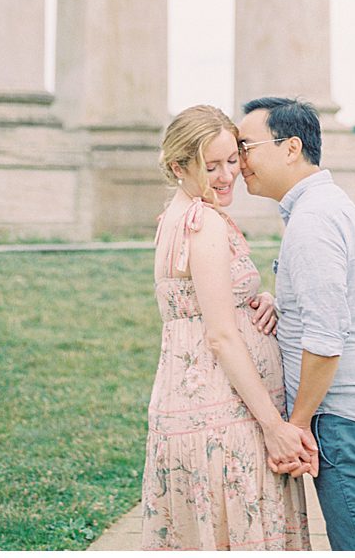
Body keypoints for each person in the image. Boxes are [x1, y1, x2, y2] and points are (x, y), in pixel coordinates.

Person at [140, 104, 316, 551]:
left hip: (191, 407)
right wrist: (274, 426)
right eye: (210, 166)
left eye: (232, 160)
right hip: (223, 414)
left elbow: (206, 307)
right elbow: (219, 335)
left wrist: (261, 303)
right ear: (179, 166)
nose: (226, 176)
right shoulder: (204, 225)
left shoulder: (176, 217)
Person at [238, 97, 355, 552]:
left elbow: (327, 338)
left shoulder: (314, 219)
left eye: (246, 146)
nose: (238, 162)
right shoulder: (322, 207)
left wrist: (296, 425)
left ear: (290, 147)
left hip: (345, 422)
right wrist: (284, 305)